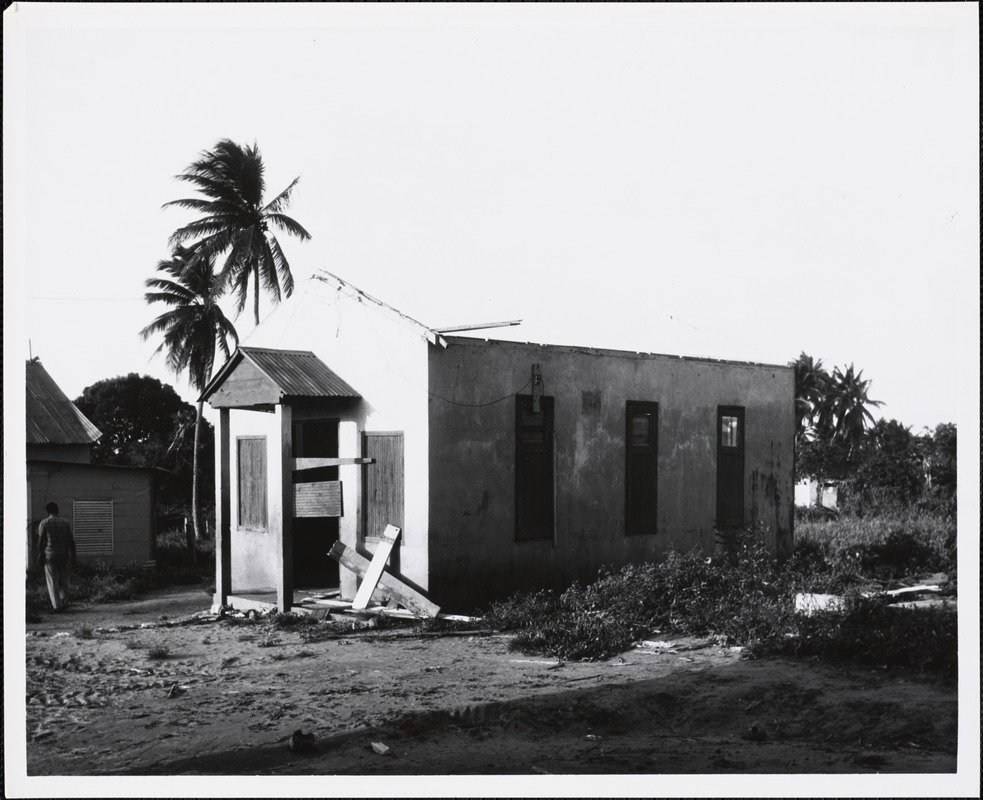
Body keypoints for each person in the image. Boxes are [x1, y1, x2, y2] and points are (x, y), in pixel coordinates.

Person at [36, 502, 76, 612]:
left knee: (52, 580)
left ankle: (57, 606)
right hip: (64, 555)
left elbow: (40, 543)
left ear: (48, 511)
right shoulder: (66, 523)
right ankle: (65, 601)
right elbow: (71, 541)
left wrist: (40, 554)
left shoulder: (45, 523)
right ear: (57, 510)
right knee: (64, 579)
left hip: (50, 555)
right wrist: (73, 556)